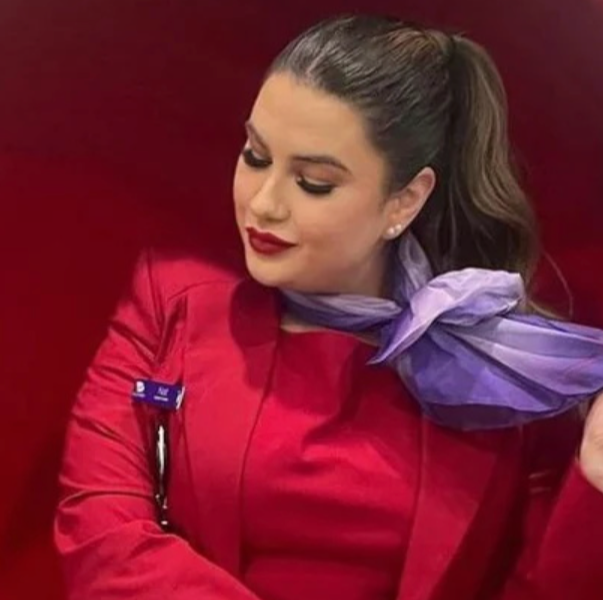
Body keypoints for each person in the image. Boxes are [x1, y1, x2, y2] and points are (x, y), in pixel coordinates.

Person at [54, 14, 603, 600]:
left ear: (405, 199)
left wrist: (596, 479)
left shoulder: (511, 370)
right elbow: (100, 530)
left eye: (313, 182)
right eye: (255, 156)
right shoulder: (171, 300)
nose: (263, 204)